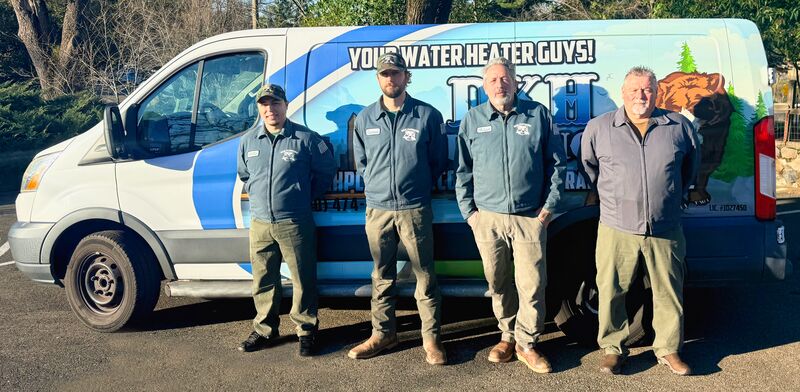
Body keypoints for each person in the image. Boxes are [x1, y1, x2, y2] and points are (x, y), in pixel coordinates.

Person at [581, 66, 700, 376]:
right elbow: (590, 169)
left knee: (668, 291)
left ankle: (669, 349)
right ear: (622, 93)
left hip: (665, 226)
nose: (640, 95)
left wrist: (670, 197)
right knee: (610, 290)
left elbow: (690, 169)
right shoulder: (599, 128)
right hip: (616, 226)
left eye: (647, 89)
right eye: (633, 90)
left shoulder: (678, 126)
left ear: (656, 92)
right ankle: (612, 348)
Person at [455, 56, 567, 374]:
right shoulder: (473, 119)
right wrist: (470, 214)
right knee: (498, 281)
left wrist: (547, 210)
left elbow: (557, 164)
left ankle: (527, 343)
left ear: (516, 82)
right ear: (484, 85)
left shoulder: (537, 115)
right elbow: (462, 170)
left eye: (505, 78)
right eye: (493, 80)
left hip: (529, 217)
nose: (499, 84)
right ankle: (506, 335)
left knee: (531, 284)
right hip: (487, 219)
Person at [348, 52, 449, 365]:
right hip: (377, 210)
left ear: (407, 76)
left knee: (425, 276)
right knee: (381, 275)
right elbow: (361, 163)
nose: (390, 79)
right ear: (378, 79)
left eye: (396, 73)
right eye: (384, 74)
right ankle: (383, 333)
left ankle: (431, 339)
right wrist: (380, 187)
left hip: (414, 208)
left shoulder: (427, 116)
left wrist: (413, 185)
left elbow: (439, 161)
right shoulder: (364, 119)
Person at [236, 84, 336, 356]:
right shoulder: (248, 141)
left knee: (303, 279)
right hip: (260, 223)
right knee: (263, 279)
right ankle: (265, 329)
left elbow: (326, 171)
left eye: (275, 103)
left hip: (294, 222)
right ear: (258, 108)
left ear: (286, 105)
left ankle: (306, 330)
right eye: (264, 104)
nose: (270, 109)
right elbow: (245, 175)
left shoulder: (305, 138)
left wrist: (301, 197)